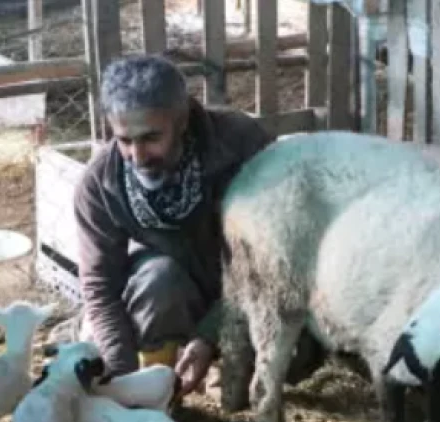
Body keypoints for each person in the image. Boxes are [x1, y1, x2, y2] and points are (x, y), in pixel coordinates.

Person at [73, 53, 323, 397]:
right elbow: (99, 286)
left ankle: (228, 366)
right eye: (125, 140)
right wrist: (122, 379)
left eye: (150, 137)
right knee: (156, 280)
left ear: (182, 119)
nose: (137, 156)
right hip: (178, 293)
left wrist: (210, 336)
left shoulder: (242, 144)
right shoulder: (101, 183)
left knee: (291, 352)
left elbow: (277, 258)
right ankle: (162, 388)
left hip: (253, 281)